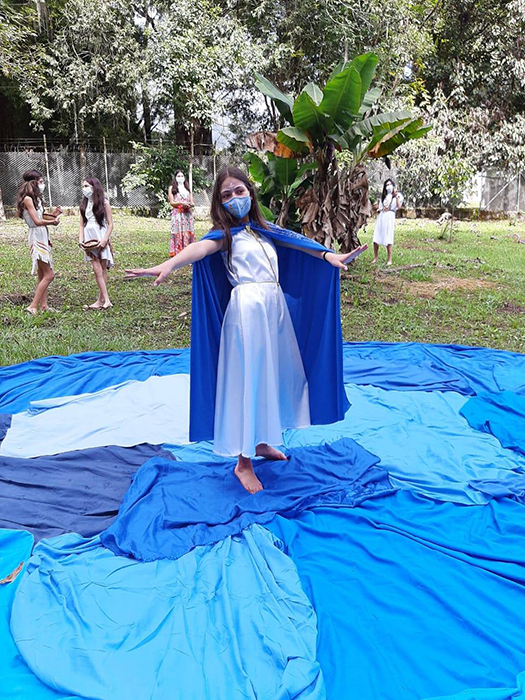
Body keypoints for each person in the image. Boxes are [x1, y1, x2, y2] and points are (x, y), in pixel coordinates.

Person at [125, 167, 367, 494]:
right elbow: (200, 249)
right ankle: (243, 462)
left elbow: (299, 245)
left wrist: (328, 256)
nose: (235, 198)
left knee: (271, 378)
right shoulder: (224, 235)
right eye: (226, 195)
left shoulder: (265, 231)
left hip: (273, 311)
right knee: (249, 381)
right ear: (219, 202)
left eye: (239, 191)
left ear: (250, 193)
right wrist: (169, 264)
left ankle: (262, 440)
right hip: (247, 313)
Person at [16, 170, 61, 314]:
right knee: (49, 275)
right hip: (36, 236)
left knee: (42, 274)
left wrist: (53, 215)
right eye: (41, 182)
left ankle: (44, 306)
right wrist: (52, 222)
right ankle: (33, 306)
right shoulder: (28, 199)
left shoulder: (36, 199)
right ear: (33, 183)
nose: (43, 185)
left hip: (42, 234)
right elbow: (36, 221)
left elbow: (41, 216)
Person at [79, 177, 114, 309]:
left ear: (94, 187)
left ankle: (102, 300)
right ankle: (105, 300)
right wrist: (80, 240)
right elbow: (81, 224)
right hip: (89, 238)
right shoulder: (83, 205)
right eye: (83, 187)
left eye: (86, 186)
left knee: (102, 268)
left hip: (101, 235)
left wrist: (105, 240)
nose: (84, 189)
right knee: (96, 269)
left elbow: (110, 224)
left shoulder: (104, 204)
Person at [371, 178, 404, 266]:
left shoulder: (398, 196)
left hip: (390, 216)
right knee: (376, 236)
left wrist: (395, 196)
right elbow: (380, 207)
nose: (388, 186)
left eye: (390, 184)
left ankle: (389, 259)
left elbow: (399, 206)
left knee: (388, 236)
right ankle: (375, 257)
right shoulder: (383, 197)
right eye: (387, 185)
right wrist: (379, 209)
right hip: (382, 216)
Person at [168, 170, 195, 256]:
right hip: (178, 214)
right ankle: (178, 252)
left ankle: (188, 251)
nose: (180, 178)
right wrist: (181, 204)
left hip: (187, 214)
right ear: (175, 178)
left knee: (188, 231)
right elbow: (172, 203)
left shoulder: (187, 189)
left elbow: (192, 202)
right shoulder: (172, 188)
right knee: (178, 232)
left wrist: (189, 205)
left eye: (182, 176)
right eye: (178, 176)